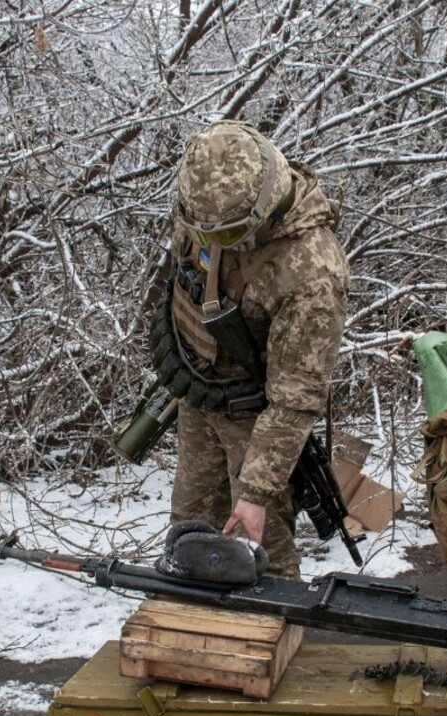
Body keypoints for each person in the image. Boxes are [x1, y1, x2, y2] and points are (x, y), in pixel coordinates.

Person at [147, 120, 349, 580]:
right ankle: (193, 626)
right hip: (200, 392)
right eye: (200, 231)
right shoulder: (206, 201)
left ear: (262, 207)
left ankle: (267, 638)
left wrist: (257, 490)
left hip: (258, 418)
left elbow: (295, 398)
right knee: (190, 528)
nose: (208, 243)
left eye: (224, 236)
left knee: (262, 545)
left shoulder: (310, 272)